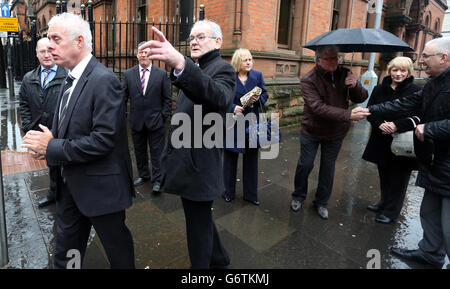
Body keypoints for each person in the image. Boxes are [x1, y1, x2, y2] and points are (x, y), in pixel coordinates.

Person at [21, 13, 135, 269]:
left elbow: (102, 140)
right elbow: (72, 129)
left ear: (79, 42)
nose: (49, 45)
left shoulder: (104, 80)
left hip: (101, 192)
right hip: (70, 187)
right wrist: (50, 145)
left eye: (55, 39)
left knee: (118, 253)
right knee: (67, 254)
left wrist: (52, 146)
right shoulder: (69, 77)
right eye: (48, 38)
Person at [140, 20, 234, 269]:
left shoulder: (222, 69)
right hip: (186, 161)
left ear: (218, 42)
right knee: (200, 218)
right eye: (191, 37)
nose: (193, 41)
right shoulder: (195, 67)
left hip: (200, 164)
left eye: (200, 37)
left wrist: (181, 64)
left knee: (197, 228)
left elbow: (220, 97)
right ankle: (221, 259)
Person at [367, 37, 450, 269]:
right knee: (429, 212)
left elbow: (419, 117)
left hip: (446, 162)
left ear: (444, 58)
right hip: (434, 160)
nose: (421, 60)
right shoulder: (433, 83)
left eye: (426, 56)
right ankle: (430, 253)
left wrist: (428, 128)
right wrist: (369, 110)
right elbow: (406, 103)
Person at [290, 45, 369, 219]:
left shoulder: (345, 73)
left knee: (328, 167)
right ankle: (298, 196)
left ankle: (321, 202)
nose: (335, 62)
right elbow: (317, 107)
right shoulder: (308, 79)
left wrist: (355, 85)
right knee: (305, 164)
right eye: (330, 59)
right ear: (318, 61)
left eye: (336, 58)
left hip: (335, 131)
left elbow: (361, 97)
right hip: (312, 129)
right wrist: (348, 114)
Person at [362, 56, 422, 224]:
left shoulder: (416, 90)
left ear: (409, 72)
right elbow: (370, 112)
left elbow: (420, 116)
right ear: (390, 71)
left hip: (403, 140)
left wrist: (396, 125)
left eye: (403, 70)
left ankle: (391, 211)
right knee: (384, 173)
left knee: (399, 178)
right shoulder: (379, 89)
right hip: (380, 139)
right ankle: (383, 202)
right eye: (395, 70)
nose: (398, 74)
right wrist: (380, 124)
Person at [19, 37, 68, 208]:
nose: (46, 55)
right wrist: (27, 127)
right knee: (51, 164)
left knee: (64, 165)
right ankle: (53, 194)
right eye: (42, 51)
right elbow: (24, 104)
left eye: (49, 50)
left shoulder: (67, 76)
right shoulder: (28, 78)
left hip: (61, 132)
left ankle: (68, 198)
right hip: (39, 130)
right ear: (37, 54)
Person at [122, 41, 172, 191]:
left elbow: (167, 99)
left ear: (151, 55)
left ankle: (158, 180)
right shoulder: (128, 74)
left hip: (156, 121)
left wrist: (163, 117)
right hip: (136, 121)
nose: (143, 55)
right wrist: (122, 117)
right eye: (141, 52)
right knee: (139, 150)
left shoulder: (161, 74)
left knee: (157, 152)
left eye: (146, 52)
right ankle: (144, 175)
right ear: (137, 55)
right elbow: (123, 97)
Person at [222, 48, 268, 205]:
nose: (248, 62)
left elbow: (265, 95)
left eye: (250, 59)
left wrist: (256, 98)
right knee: (229, 160)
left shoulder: (257, 75)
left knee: (251, 160)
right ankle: (227, 192)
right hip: (233, 122)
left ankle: (250, 195)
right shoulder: (229, 77)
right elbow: (222, 97)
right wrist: (232, 107)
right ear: (237, 62)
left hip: (252, 122)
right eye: (245, 60)